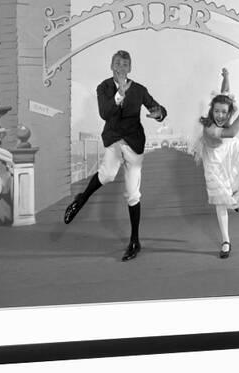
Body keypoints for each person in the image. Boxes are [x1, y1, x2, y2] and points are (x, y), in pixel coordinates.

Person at [64, 50, 167, 261]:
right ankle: (80, 200)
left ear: (130, 68)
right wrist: (119, 92)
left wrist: (159, 114)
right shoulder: (104, 87)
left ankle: (135, 241)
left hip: (134, 142)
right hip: (114, 138)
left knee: (133, 194)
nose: (121, 68)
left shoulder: (139, 89)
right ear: (112, 66)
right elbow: (105, 113)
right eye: (118, 64)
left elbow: (157, 108)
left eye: (125, 64)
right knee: (107, 175)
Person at [194, 68, 239, 259]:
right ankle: (226, 241)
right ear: (212, 111)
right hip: (214, 162)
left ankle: (234, 198)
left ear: (228, 112)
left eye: (224, 112)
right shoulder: (209, 127)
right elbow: (232, 132)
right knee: (220, 200)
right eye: (216, 111)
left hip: (228, 151)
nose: (220, 115)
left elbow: (224, 93)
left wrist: (226, 77)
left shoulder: (224, 112)